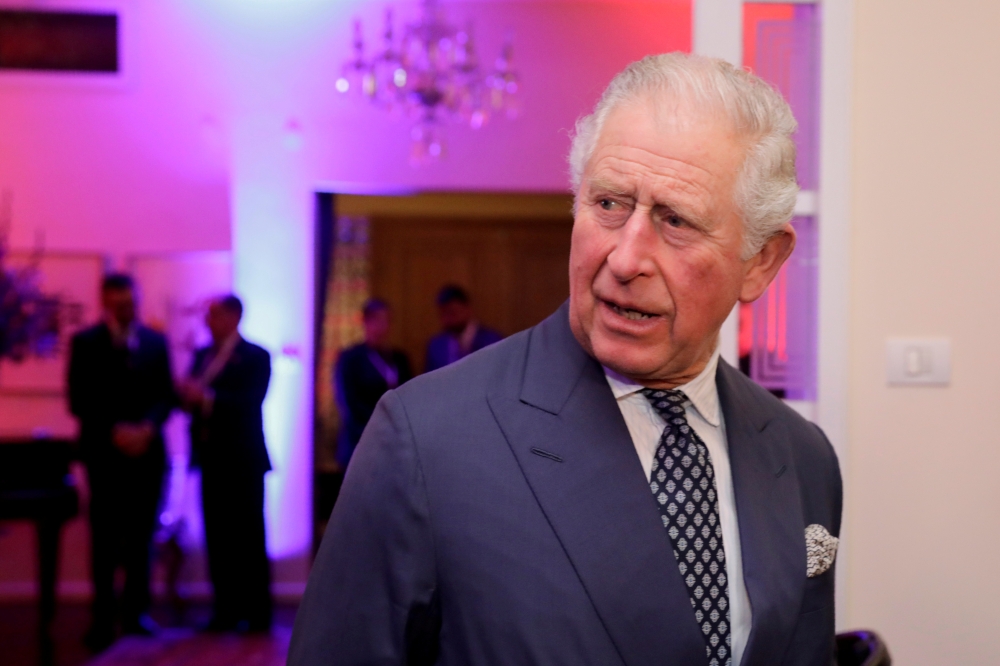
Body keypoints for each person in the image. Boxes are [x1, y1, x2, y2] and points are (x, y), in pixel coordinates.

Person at [289, 53, 842, 666]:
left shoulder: (801, 456)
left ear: (761, 260)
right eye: (609, 204)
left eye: (675, 220)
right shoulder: (426, 440)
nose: (626, 258)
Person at [68, 273, 175, 651]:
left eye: (129, 302)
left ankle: (136, 615)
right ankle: (102, 618)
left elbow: (166, 394)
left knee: (142, 539)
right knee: (104, 539)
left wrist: (146, 428)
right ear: (105, 302)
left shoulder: (155, 342)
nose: (124, 308)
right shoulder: (85, 343)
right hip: (105, 456)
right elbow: (78, 399)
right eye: (117, 303)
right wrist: (114, 430)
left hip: (147, 457)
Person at [177, 294, 273, 633]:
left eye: (214, 314)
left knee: (248, 535)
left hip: (243, 459)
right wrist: (186, 396)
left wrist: (207, 398)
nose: (208, 321)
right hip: (211, 457)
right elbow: (189, 399)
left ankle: (257, 612)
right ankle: (225, 610)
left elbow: (250, 402)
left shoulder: (256, 356)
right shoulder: (203, 354)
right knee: (217, 536)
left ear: (234, 317)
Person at [334, 298, 412, 469]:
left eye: (386, 321)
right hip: (360, 440)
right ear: (366, 321)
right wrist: (380, 424)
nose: (382, 326)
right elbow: (348, 403)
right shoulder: (350, 358)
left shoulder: (398, 358)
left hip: (394, 443)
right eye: (377, 320)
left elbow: (409, 396)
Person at [423, 284, 502, 372]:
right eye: (443, 314)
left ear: (467, 308)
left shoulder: (492, 341)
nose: (447, 319)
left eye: (452, 313)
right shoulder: (436, 345)